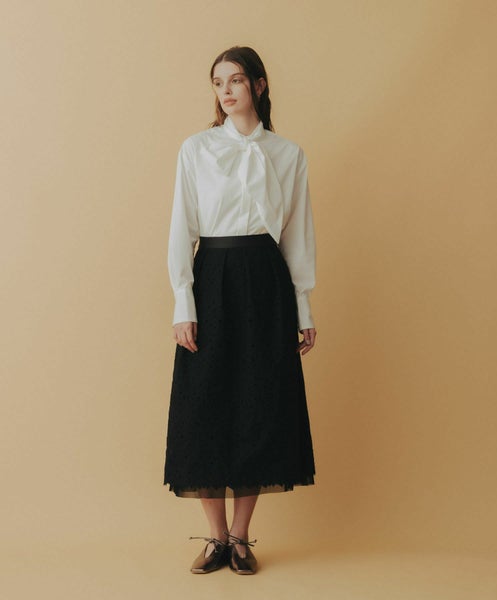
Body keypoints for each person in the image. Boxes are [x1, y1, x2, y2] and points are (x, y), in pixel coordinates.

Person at [163, 45, 317, 575]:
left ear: (259, 85)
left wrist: (303, 309)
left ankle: (240, 537)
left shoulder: (288, 154)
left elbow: (297, 236)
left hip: (266, 281)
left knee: (258, 403)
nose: (225, 91)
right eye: (217, 82)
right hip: (212, 277)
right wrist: (183, 302)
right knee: (205, 404)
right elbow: (181, 228)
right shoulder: (197, 149)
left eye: (235, 80)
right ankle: (214, 538)